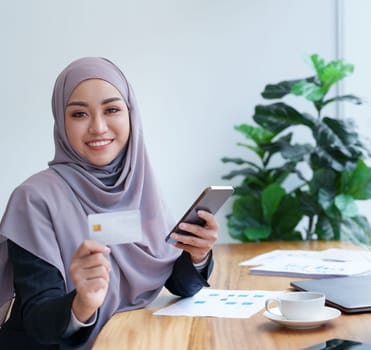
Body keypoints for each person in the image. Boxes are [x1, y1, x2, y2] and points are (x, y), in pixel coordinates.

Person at [0, 57, 219, 349]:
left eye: (112, 109)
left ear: (131, 115)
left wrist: (197, 255)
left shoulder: (139, 187)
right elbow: (38, 322)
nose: (98, 127)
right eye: (79, 114)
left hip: (129, 339)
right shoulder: (34, 199)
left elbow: (175, 283)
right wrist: (82, 304)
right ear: (61, 122)